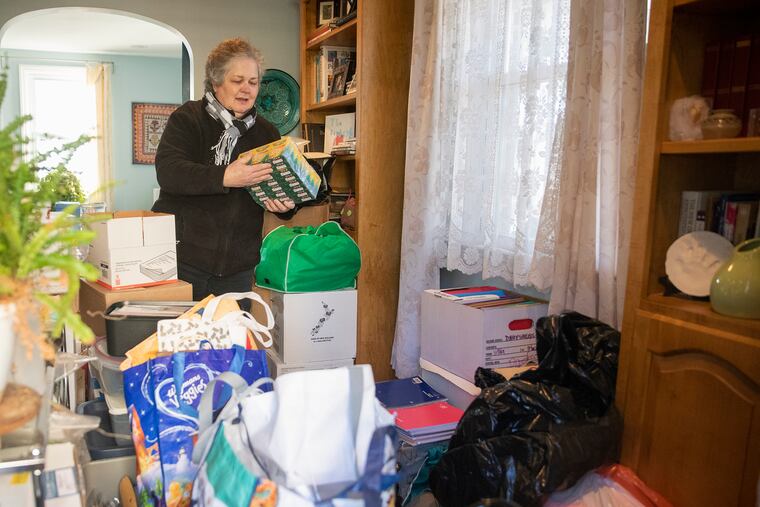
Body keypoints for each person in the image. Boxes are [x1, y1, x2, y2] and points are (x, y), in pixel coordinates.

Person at [152, 37, 296, 302]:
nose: (247, 89)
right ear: (216, 82)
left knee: (233, 341)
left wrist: (287, 205)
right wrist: (226, 176)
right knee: (183, 342)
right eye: (237, 80)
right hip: (183, 262)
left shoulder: (267, 132)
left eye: (253, 82)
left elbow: (278, 181)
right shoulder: (188, 118)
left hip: (238, 269)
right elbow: (169, 172)